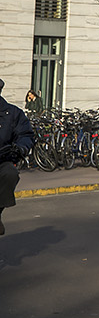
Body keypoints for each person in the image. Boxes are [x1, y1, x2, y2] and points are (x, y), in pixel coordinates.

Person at [0, 78, 35, 236]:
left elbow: (25, 134)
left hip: (2, 158)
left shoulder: (12, 113)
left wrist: (21, 147)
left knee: (10, 174)